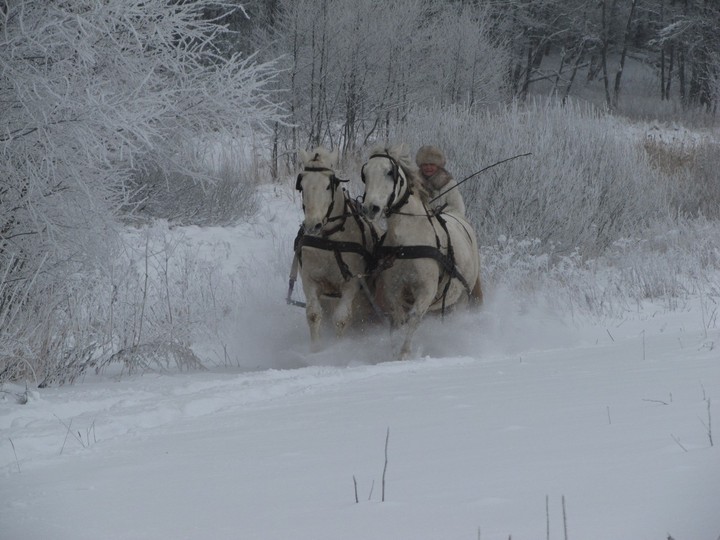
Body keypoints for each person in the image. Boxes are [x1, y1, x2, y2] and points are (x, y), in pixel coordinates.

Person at [415, 145, 466, 217]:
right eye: (425, 165)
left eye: (432, 164)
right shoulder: (412, 183)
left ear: (438, 166)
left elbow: (458, 209)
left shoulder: (449, 184)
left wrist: (438, 214)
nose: (428, 167)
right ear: (420, 165)